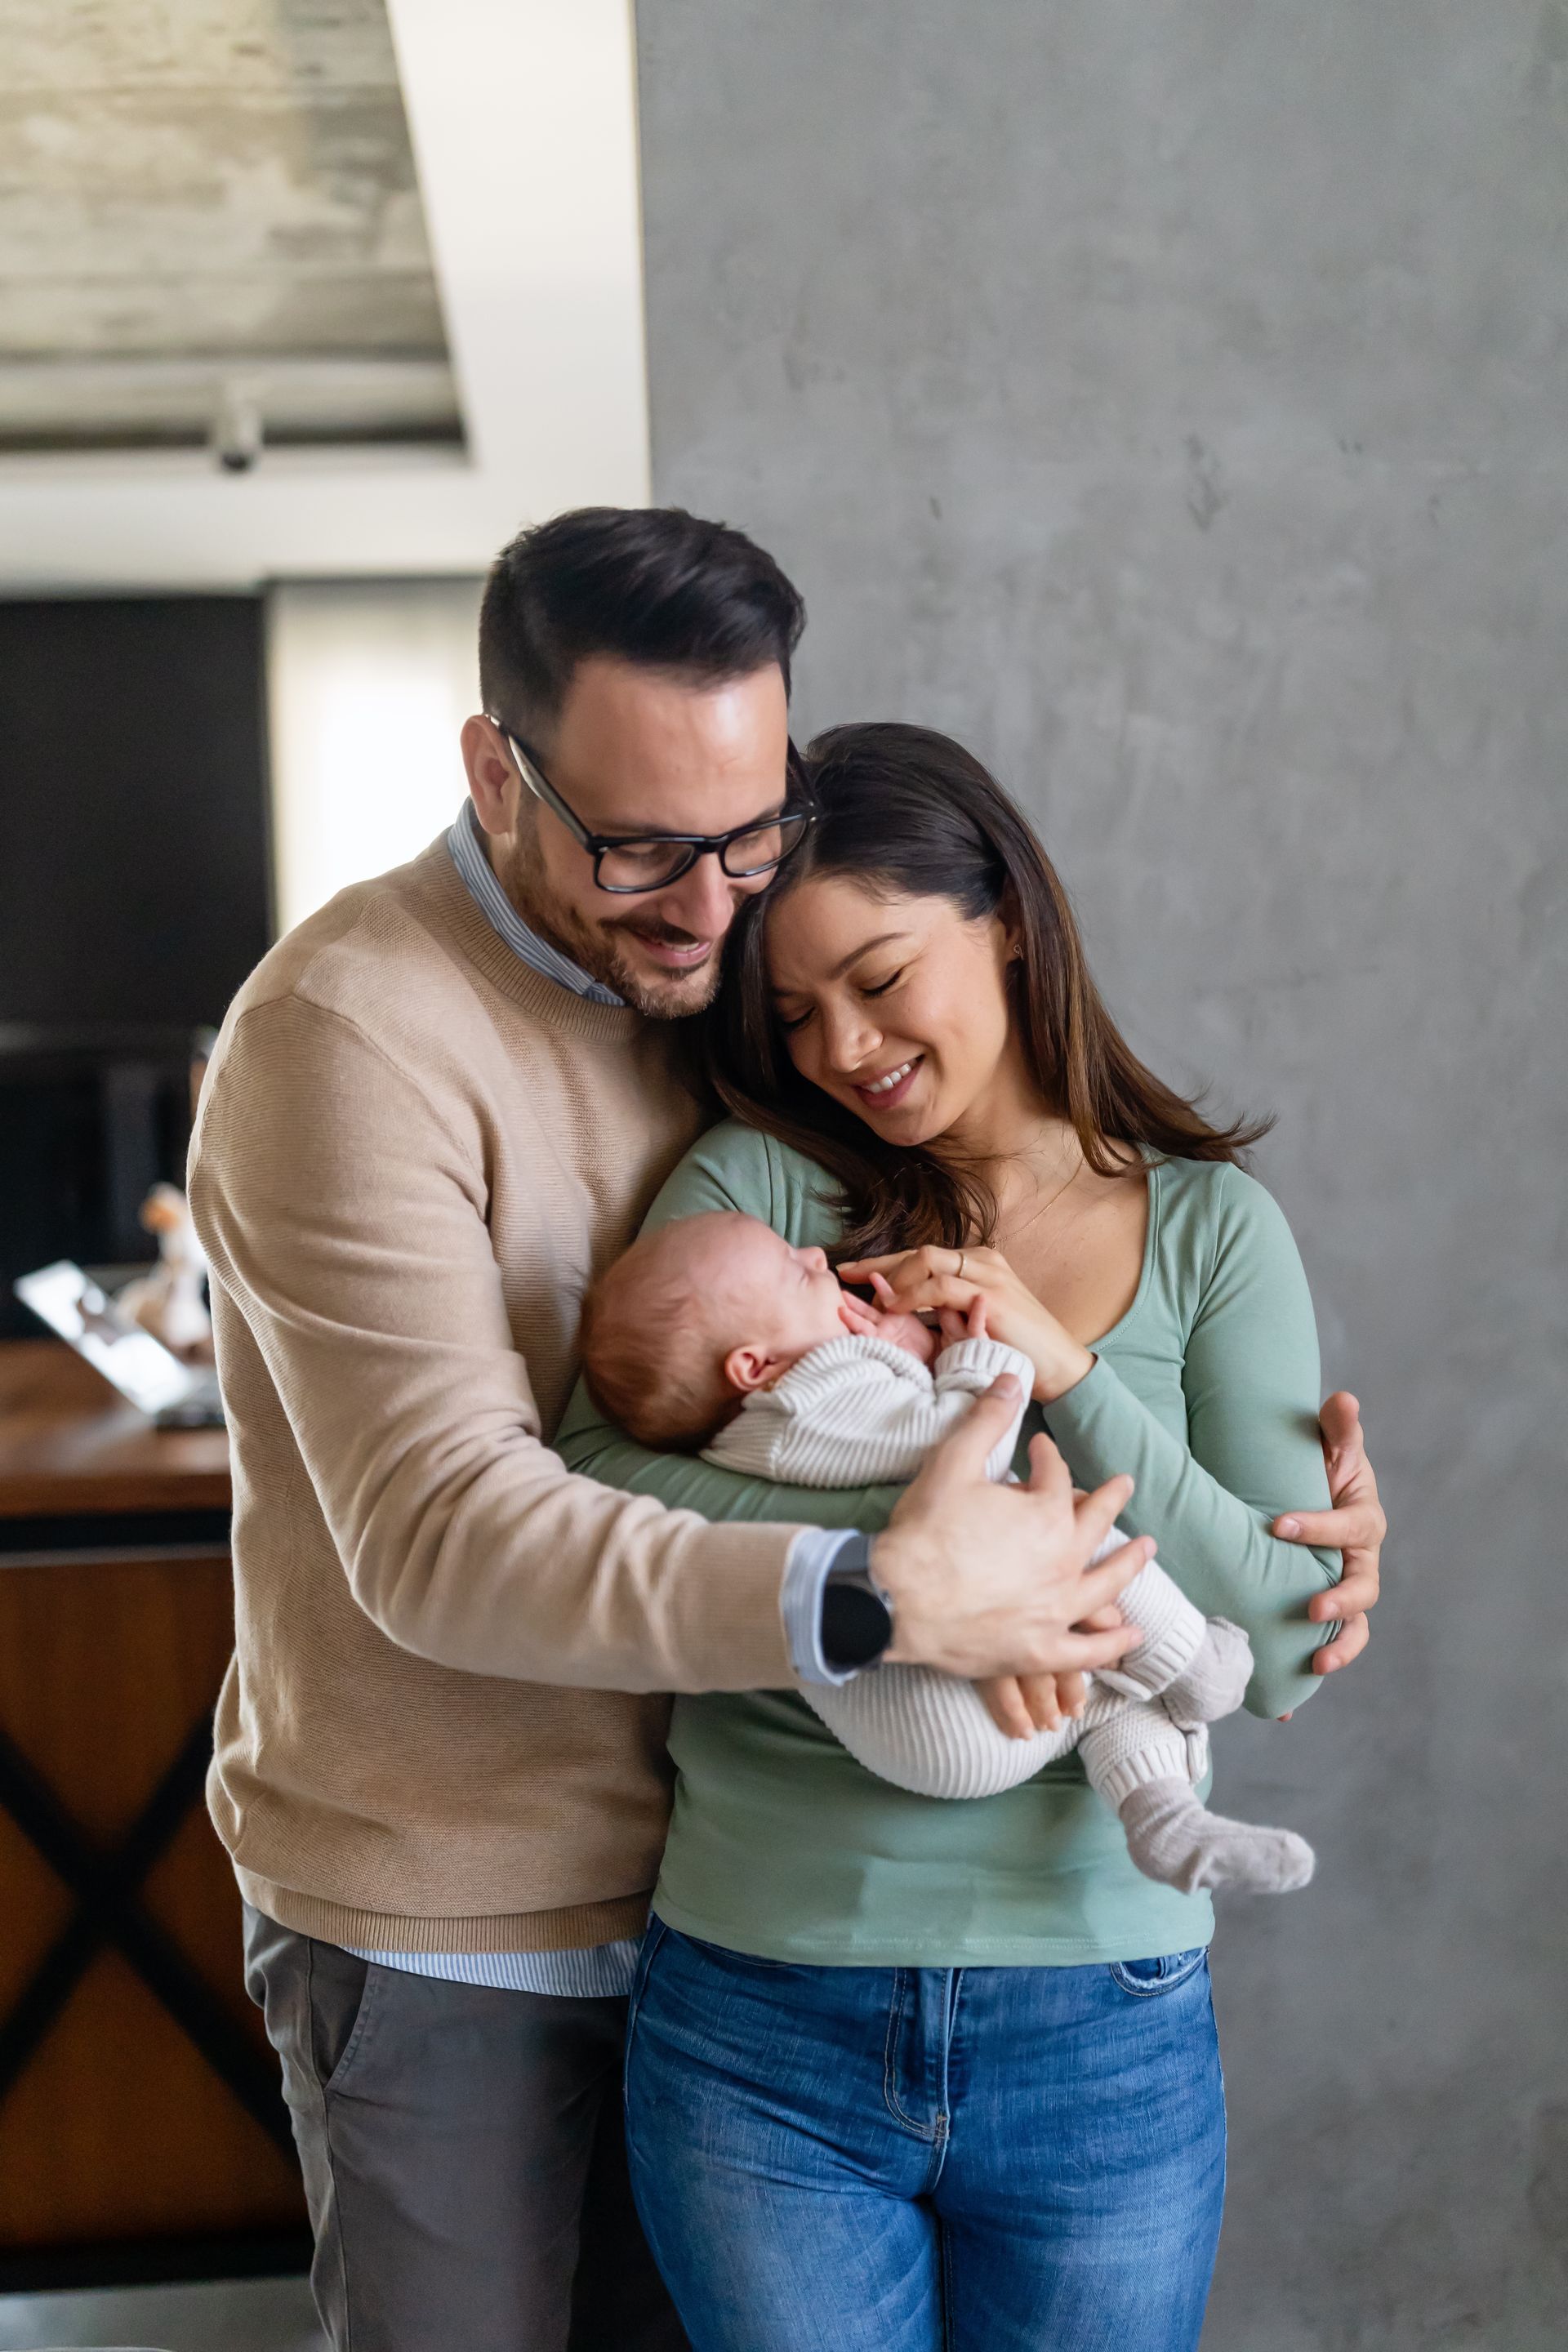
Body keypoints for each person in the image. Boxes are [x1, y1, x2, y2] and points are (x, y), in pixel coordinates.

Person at [187, 510, 1192, 2352]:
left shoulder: (718, 982)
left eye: (752, 834)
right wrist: (882, 1598)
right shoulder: (345, 1036)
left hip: (733, 1923)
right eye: (645, 845)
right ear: (497, 769)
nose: (714, 903)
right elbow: (444, 1532)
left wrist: (1261, 1538)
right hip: (450, 1917)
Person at [558, 719, 1383, 2352]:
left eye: (876, 976)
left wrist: (1069, 1375)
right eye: (792, 1013)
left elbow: (1282, 1652)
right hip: (763, 2008)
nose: (841, 1047)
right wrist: (916, 1568)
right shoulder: (765, 1203)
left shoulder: (1211, 1230)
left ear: (1004, 909)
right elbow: (585, 1506)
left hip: (1104, 2020)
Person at [578, 1205, 1315, 1891]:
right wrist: (976, 1358)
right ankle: (1195, 1663)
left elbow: (890, 1447)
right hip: (940, 1708)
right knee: (1068, 1523)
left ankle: (1167, 1823)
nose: (814, 1254)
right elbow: (961, 1450)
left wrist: (905, 1358)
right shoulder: (807, 1397)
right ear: (753, 1368)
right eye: (794, 1271)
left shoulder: (771, 1424)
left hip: (941, 1738)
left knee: (1104, 1694)